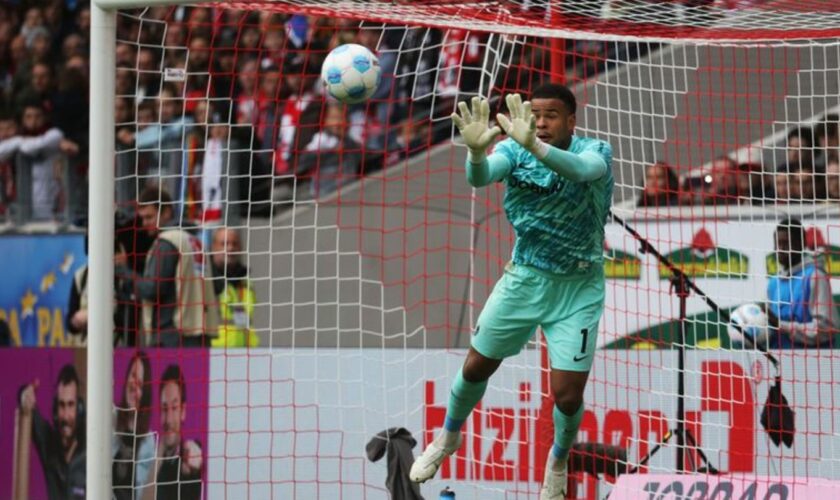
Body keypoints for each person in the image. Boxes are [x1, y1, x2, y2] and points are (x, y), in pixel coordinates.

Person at [410, 85, 613, 500]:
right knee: (475, 367)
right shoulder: (514, 151)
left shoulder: (596, 151)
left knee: (568, 394)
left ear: (571, 121)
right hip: (524, 279)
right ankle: (448, 437)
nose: (541, 121)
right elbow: (480, 178)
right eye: (535, 113)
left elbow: (579, 171)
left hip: (578, 288)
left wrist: (535, 146)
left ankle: (558, 459)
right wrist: (475, 154)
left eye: (551, 114)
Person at [119, 186, 219, 347]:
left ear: (166, 212)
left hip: (171, 336)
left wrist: (123, 271)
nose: (145, 224)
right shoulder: (196, 242)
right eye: (142, 218)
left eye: (149, 217)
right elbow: (217, 285)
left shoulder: (166, 243)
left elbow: (153, 289)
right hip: (199, 333)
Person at [764, 218, 839, 348]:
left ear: (801, 244)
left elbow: (827, 329)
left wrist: (783, 326)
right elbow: (771, 328)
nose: (781, 249)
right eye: (778, 244)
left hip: (813, 364)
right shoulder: (773, 283)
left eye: (786, 243)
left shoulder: (815, 276)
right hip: (779, 362)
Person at [18, 364, 86, 499]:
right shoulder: (49, 444)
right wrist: (24, 394)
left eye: (71, 405)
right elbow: (24, 397)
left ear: (79, 408)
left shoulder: (91, 449)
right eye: (62, 405)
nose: (66, 416)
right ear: (55, 409)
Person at [152, 364, 202, 500]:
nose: (168, 419)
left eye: (174, 408)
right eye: (164, 408)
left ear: (183, 411)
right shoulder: (149, 457)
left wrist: (193, 471)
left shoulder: (191, 454)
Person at [112, 351, 155, 500]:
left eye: (141, 384)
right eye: (133, 376)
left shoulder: (149, 442)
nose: (134, 386)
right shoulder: (110, 420)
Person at [209, 227, 259, 347]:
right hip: (216, 351)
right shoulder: (207, 279)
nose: (230, 248)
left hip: (247, 351)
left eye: (234, 244)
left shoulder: (245, 280)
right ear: (213, 247)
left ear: (240, 248)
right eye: (224, 244)